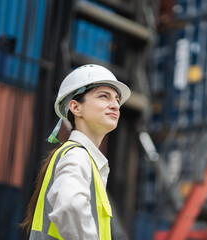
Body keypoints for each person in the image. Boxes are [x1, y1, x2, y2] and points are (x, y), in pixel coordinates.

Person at [21, 64, 131, 239]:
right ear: (75, 107)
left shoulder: (80, 157)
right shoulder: (77, 155)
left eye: (117, 99)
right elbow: (69, 205)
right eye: (104, 96)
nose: (115, 105)